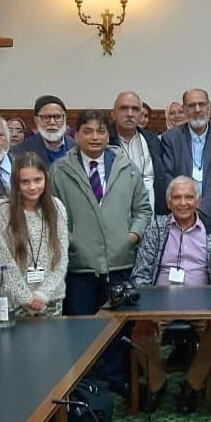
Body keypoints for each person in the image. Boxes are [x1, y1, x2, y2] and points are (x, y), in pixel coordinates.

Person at [50, 110, 152, 394]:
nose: (95, 137)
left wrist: (131, 236)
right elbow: (52, 213)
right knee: (83, 330)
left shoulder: (127, 167)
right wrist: (71, 239)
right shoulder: (60, 170)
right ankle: (87, 384)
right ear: (76, 135)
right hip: (79, 265)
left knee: (118, 329)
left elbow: (143, 209)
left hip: (120, 263)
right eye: (88, 131)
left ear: (109, 135)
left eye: (101, 131)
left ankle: (115, 379)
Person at [130, 176, 211, 413]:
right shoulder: (156, 228)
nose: (183, 203)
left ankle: (192, 385)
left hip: (202, 302)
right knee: (139, 333)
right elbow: (141, 273)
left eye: (189, 197)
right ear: (168, 202)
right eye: (177, 197)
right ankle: (157, 383)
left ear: (198, 201)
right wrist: (145, 306)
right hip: (160, 301)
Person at [0, 152, 68, 317]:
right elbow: (1, 259)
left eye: (37, 180)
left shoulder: (57, 207)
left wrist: (43, 294)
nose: (32, 187)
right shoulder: (2, 211)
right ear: (16, 183)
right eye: (25, 182)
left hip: (50, 300)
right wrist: (26, 297)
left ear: (45, 179)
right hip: (14, 303)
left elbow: (61, 257)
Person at [161, 89, 211, 226]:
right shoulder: (171, 138)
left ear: (209, 107)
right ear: (184, 109)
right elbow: (167, 175)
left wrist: (202, 210)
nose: (197, 109)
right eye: (191, 105)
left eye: (201, 104)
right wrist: (185, 207)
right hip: (181, 215)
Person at [109, 91, 167, 214]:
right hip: (116, 212)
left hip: (152, 209)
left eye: (135, 109)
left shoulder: (152, 140)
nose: (130, 114)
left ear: (140, 115)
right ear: (113, 114)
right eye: (124, 108)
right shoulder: (105, 141)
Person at [11, 95, 76, 166]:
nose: (52, 122)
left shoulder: (77, 147)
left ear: (65, 118)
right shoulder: (19, 151)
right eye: (46, 117)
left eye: (58, 117)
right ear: (36, 120)